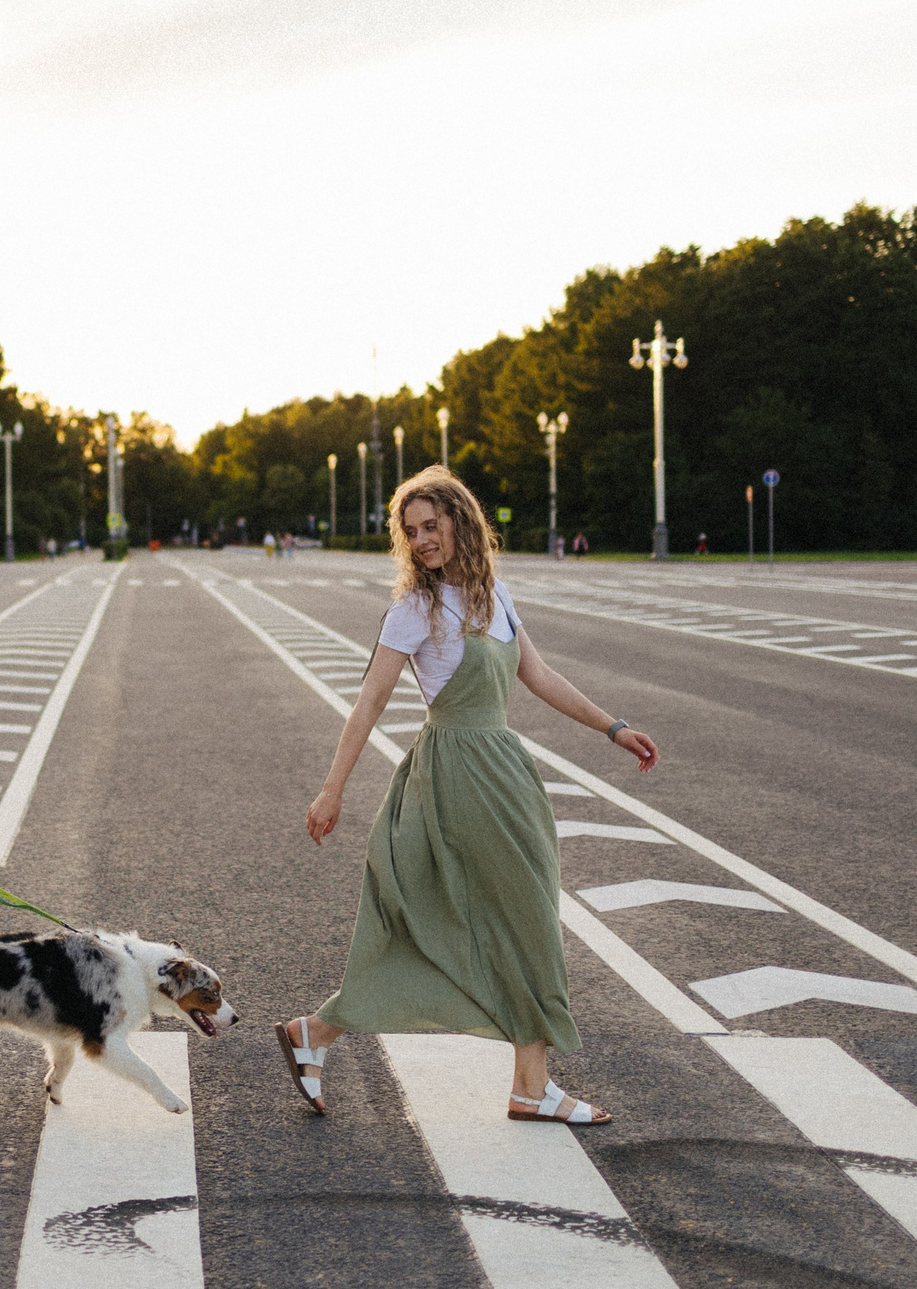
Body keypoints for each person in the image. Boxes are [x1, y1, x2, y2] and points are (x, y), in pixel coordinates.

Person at [277, 466, 657, 1126]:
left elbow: (537, 674)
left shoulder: (496, 596)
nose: (423, 540)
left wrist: (612, 727)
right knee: (522, 918)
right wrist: (331, 788)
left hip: (505, 770)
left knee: (518, 918)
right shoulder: (414, 609)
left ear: (461, 520)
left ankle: (323, 1032)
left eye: (432, 524)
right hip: (456, 775)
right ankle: (529, 1085)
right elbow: (369, 700)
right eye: (412, 531)